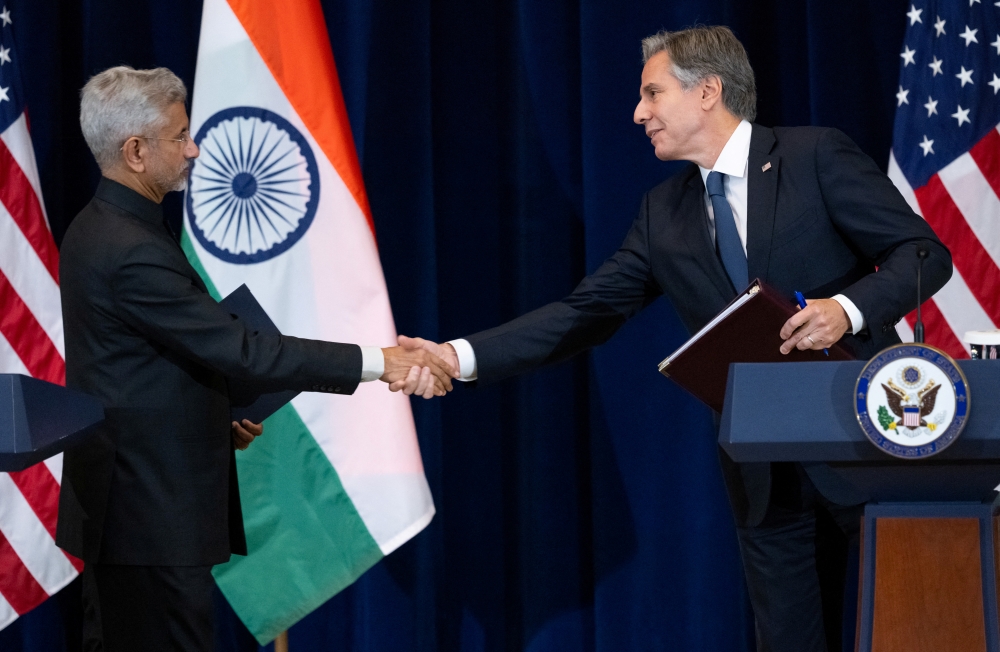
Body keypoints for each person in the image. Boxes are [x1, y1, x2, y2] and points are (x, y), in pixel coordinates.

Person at [395, 26, 952, 652]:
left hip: (868, 441)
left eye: (652, 93)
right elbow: (583, 313)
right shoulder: (665, 214)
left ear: (708, 91)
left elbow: (925, 252)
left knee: (919, 629)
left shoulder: (814, 155)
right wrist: (454, 356)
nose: (638, 113)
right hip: (764, 476)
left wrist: (845, 309)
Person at [55, 66, 456, 652]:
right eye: (180, 136)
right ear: (135, 151)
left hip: (137, 513)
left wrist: (212, 414)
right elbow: (243, 350)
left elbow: (141, 364)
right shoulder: (128, 248)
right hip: (147, 522)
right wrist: (381, 361)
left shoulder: (108, 226)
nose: (194, 149)